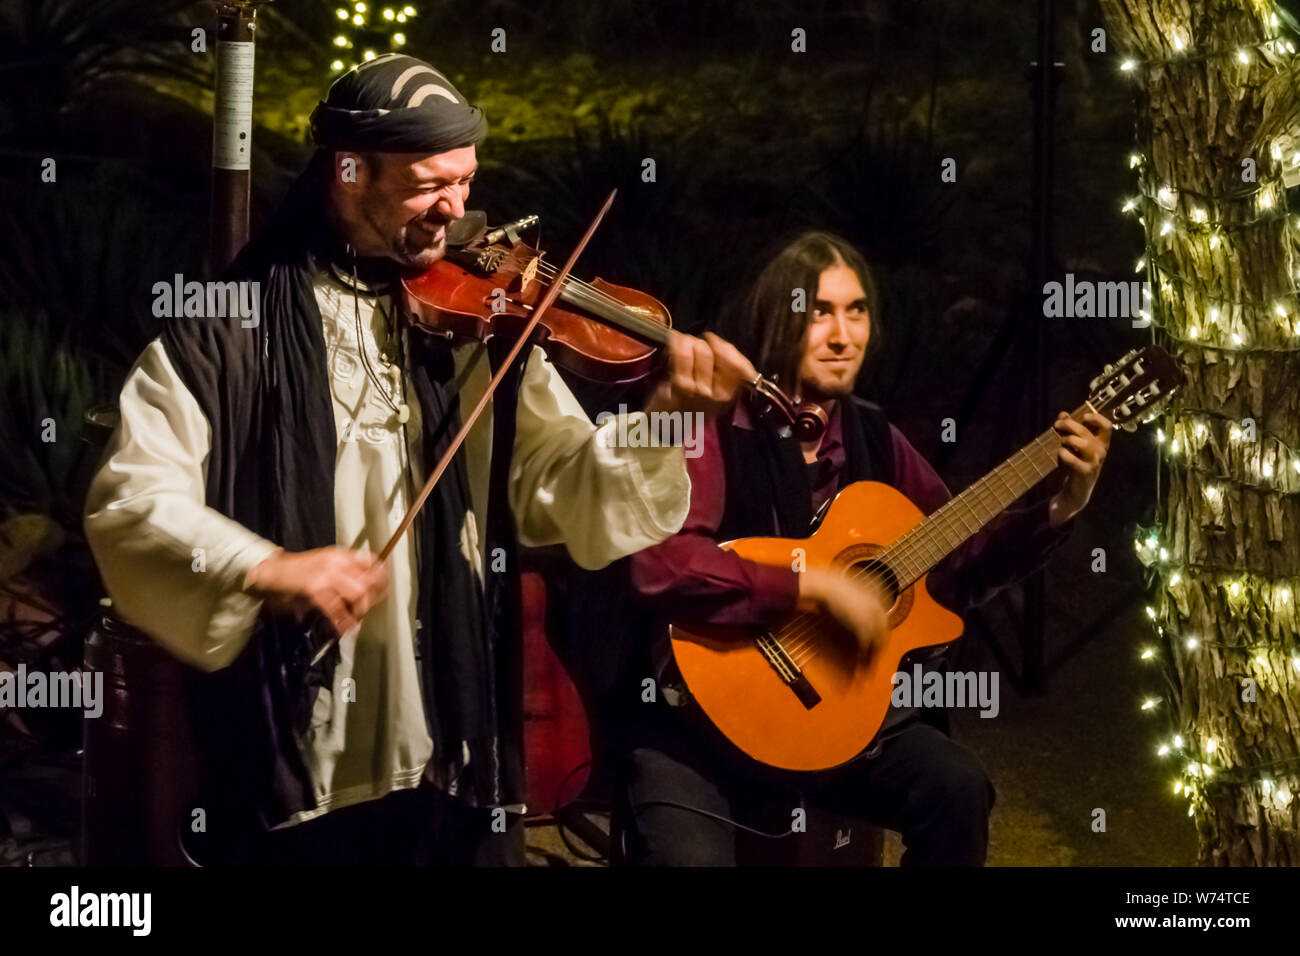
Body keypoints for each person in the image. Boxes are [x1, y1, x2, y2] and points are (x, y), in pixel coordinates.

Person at [82, 54, 757, 866]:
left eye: (466, 182)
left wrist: (669, 417)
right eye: (428, 184)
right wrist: (266, 568)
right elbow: (131, 505)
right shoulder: (226, 333)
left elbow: (574, 491)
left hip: (451, 753)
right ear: (348, 171)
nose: (458, 210)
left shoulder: (476, 328)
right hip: (302, 770)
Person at [602, 231, 1111, 866]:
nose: (844, 335)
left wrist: (1064, 504)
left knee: (957, 788)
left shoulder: (875, 438)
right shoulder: (711, 424)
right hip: (699, 728)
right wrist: (810, 586)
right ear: (775, 317)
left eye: (857, 310)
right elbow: (659, 566)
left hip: (830, 725)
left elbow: (957, 561)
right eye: (819, 312)